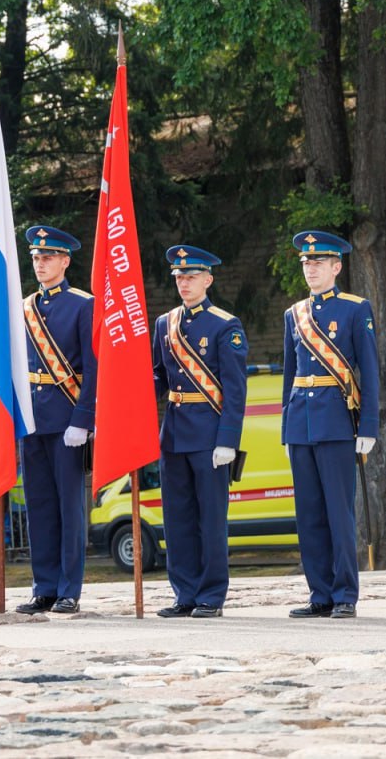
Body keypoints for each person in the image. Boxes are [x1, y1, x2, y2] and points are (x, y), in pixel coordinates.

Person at [281, 230, 379, 619]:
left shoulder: (356, 309)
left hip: (338, 422)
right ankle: (318, 592)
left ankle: (344, 594)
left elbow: (368, 371)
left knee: (339, 512)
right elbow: (291, 374)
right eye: (306, 262)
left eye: (318, 262)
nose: (311, 268)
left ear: (336, 267)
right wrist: (286, 427)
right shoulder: (294, 314)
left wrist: (368, 426)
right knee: (308, 514)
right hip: (301, 424)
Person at [152, 245, 248, 619]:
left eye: (191, 276)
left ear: (208, 280)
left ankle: (210, 595)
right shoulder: (166, 324)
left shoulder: (225, 325)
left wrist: (228, 440)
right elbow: (159, 375)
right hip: (174, 433)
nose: (184, 283)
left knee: (210, 520)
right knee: (177, 519)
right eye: (178, 276)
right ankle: (184, 593)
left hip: (209, 436)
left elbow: (235, 389)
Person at [13, 226, 96, 616]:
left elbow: (93, 369)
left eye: (48, 257)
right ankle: (43, 587)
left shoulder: (83, 305)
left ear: (65, 261)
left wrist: (83, 419)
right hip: (32, 419)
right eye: (35, 257)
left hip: (67, 421)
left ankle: (68, 589)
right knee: (40, 507)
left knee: (69, 508)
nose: (41, 264)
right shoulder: (24, 306)